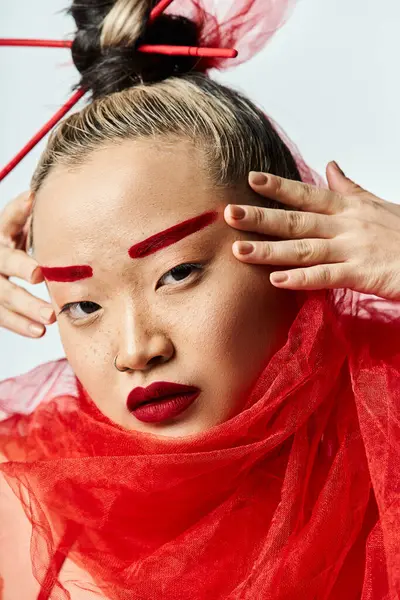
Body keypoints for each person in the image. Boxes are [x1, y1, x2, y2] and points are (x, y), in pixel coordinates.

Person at [0, 0, 399, 598]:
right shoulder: (23, 491)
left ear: (296, 238)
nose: (136, 351)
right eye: (83, 305)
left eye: (179, 272)